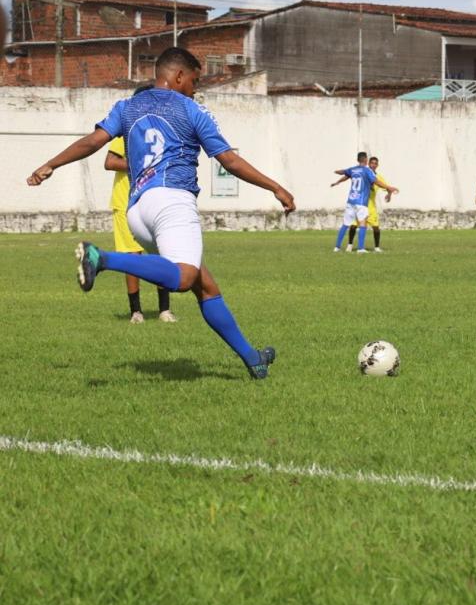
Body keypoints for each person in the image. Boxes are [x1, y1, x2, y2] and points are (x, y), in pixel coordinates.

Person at [26, 47, 295, 379]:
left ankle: (254, 360)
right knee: (183, 278)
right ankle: (102, 258)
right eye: (194, 81)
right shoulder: (192, 110)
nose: (195, 90)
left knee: (205, 286)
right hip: (172, 203)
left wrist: (51, 164)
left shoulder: (127, 107)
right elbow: (229, 160)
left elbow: (93, 142)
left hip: (138, 212)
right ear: (179, 76)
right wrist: (275, 187)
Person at [103, 82, 176, 324]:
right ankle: (136, 311)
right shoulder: (126, 129)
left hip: (154, 201)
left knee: (161, 254)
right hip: (125, 201)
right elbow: (110, 162)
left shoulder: (162, 130)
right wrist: (139, 163)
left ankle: (165, 310)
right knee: (132, 257)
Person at [333, 152, 398, 253]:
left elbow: (344, 173)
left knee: (345, 224)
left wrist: (336, 174)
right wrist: (389, 187)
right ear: (366, 160)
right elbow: (376, 181)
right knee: (362, 224)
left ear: (358, 160)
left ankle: (337, 247)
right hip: (361, 202)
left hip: (351, 201)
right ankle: (360, 248)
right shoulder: (367, 171)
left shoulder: (353, 169)